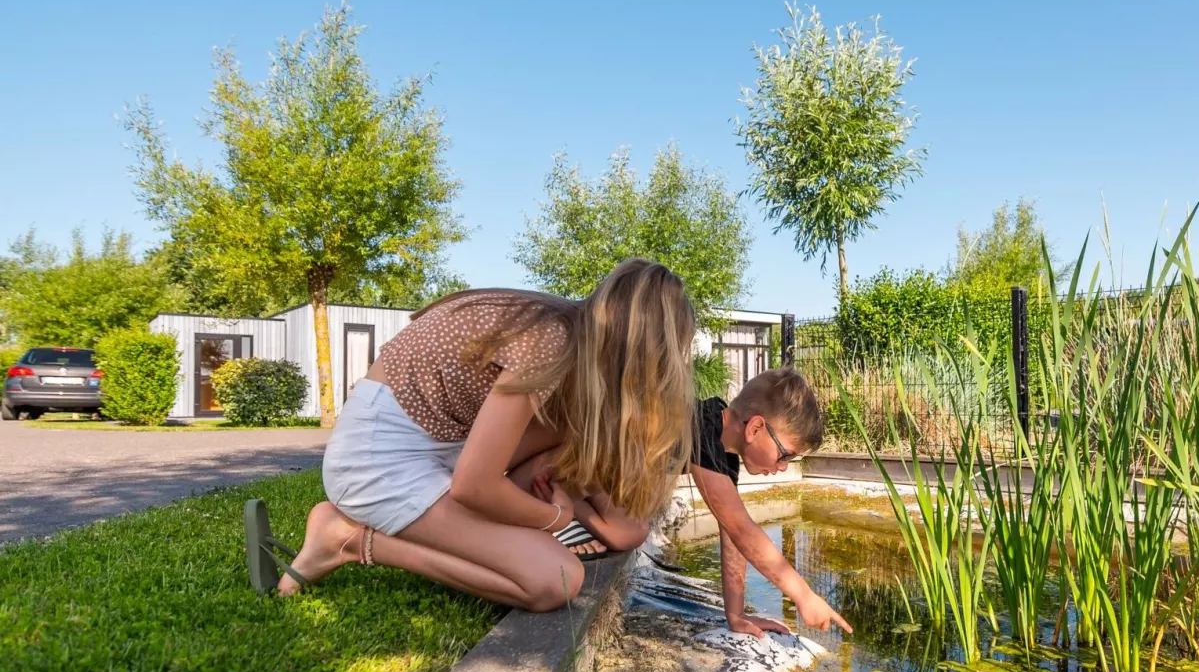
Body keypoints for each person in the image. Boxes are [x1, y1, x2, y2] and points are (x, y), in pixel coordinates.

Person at [254, 258, 695, 610]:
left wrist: (576, 503)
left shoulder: (569, 343)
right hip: (379, 461)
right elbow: (473, 485)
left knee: (577, 441)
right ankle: (346, 539)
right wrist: (557, 518)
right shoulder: (550, 343)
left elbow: (627, 529)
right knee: (555, 580)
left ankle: (377, 533)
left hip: (440, 445)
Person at [688, 367, 853, 637]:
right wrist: (804, 596)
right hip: (596, 463)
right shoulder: (702, 432)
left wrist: (737, 615)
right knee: (627, 534)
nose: (783, 467)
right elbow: (742, 531)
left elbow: (731, 532)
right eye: (784, 455)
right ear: (755, 428)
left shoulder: (722, 444)